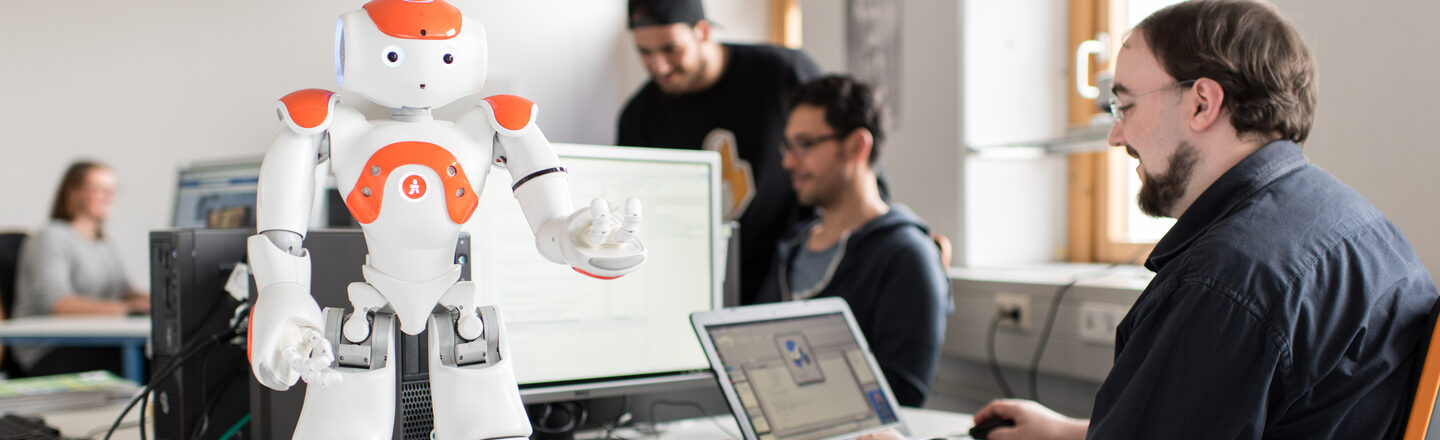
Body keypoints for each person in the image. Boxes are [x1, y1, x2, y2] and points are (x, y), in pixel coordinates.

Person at [755, 75, 950, 407]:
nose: (788, 162)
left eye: (805, 144)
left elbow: (902, 395)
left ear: (857, 146)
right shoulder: (793, 248)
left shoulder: (907, 256)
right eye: (787, 146)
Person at [617, 0, 825, 306]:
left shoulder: (782, 74)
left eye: (671, 48)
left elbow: (846, 162)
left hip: (795, 279)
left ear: (702, 32)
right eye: (645, 53)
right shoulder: (639, 117)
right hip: (697, 289)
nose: (659, 66)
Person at [12, 161, 149, 377]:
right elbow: (58, 303)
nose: (110, 196)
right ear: (74, 194)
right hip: (49, 349)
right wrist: (127, 309)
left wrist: (155, 301)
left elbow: (125, 290)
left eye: (112, 190)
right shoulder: (51, 236)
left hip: (93, 340)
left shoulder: (103, 243)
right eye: (100, 190)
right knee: (151, 363)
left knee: (162, 353)